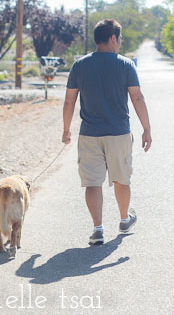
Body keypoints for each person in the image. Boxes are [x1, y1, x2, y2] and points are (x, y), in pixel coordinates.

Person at [62, 19, 152, 245]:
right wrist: (146, 128)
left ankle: (98, 229)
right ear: (113, 38)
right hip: (119, 133)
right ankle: (124, 219)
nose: (120, 43)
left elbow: (69, 100)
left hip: (89, 134)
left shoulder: (79, 66)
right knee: (121, 178)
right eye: (120, 39)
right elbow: (137, 97)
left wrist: (66, 130)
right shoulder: (125, 65)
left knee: (93, 182)